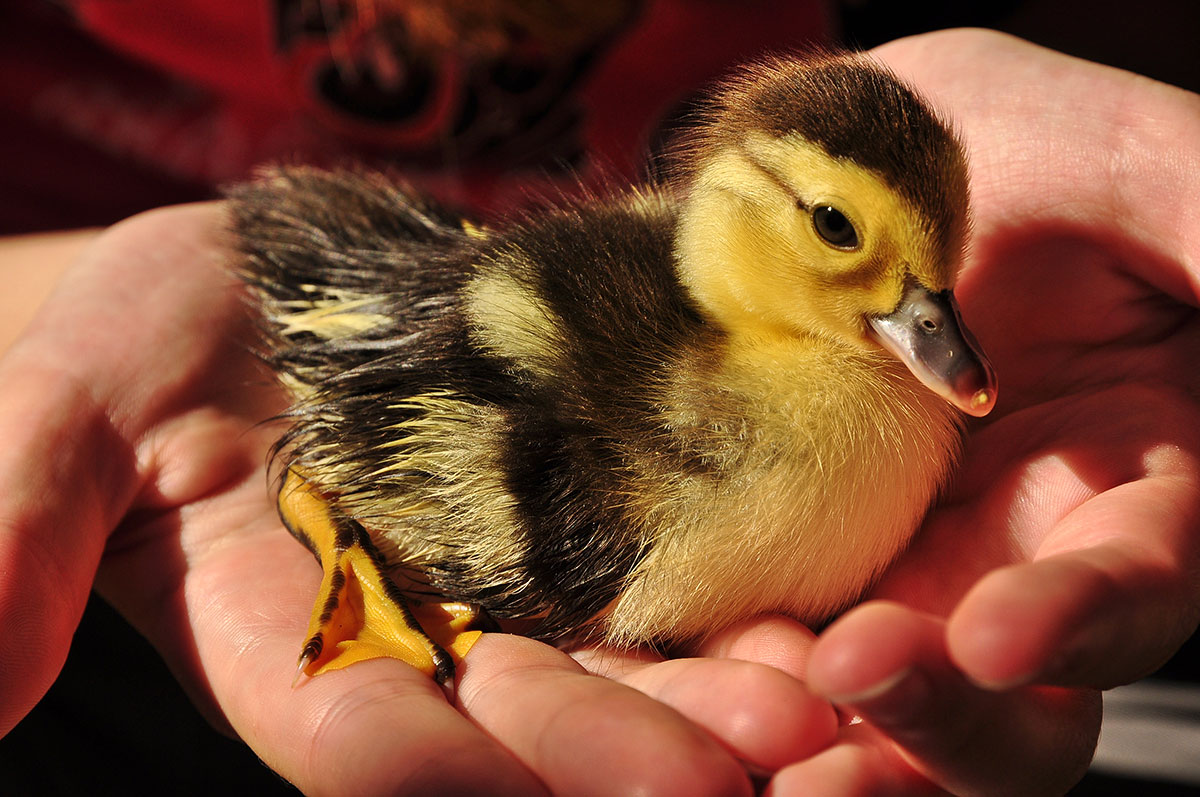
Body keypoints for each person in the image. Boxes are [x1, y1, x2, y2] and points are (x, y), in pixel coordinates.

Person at [1, 27, 1198, 795]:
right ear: (736, 206)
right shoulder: (625, 455)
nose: (930, 323)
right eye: (839, 234)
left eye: (931, 269)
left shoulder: (785, 334)